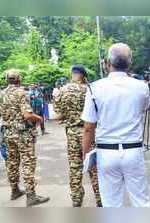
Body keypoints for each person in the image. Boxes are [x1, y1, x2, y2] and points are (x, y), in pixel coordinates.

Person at [81, 43, 150, 207]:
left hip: (106, 152)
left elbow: (88, 127)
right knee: (140, 201)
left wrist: (85, 154)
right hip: (133, 151)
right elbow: (144, 107)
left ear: (108, 62)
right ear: (129, 64)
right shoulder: (142, 87)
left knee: (111, 204)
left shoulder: (94, 89)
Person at [0, 69, 49, 206]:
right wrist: (39, 119)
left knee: (12, 163)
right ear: (20, 81)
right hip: (23, 135)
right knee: (28, 163)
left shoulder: (0, 94)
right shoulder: (22, 93)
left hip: (7, 134)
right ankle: (31, 196)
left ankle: (14, 190)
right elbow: (27, 115)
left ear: (6, 81)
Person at [54, 65, 102, 207]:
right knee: (93, 167)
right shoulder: (89, 90)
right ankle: (100, 200)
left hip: (72, 133)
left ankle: (76, 201)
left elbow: (58, 114)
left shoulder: (61, 91)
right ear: (84, 76)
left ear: (71, 75)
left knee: (75, 167)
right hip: (90, 132)